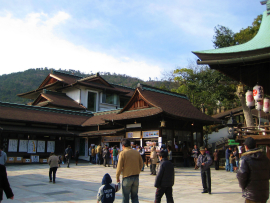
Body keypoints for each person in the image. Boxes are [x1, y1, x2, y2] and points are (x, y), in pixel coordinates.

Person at [237, 137, 270, 203]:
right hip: (264, 193)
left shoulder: (245, 159)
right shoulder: (265, 158)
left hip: (251, 194)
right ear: (255, 145)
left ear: (246, 147)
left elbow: (241, 177)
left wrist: (244, 187)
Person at [116, 139, 143, 203]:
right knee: (135, 196)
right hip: (136, 177)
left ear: (123, 145)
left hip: (127, 177)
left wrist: (117, 177)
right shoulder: (137, 152)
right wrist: (138, 171)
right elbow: (141, 164)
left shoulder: (122, 153)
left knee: (126, 197)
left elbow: (119, 167)